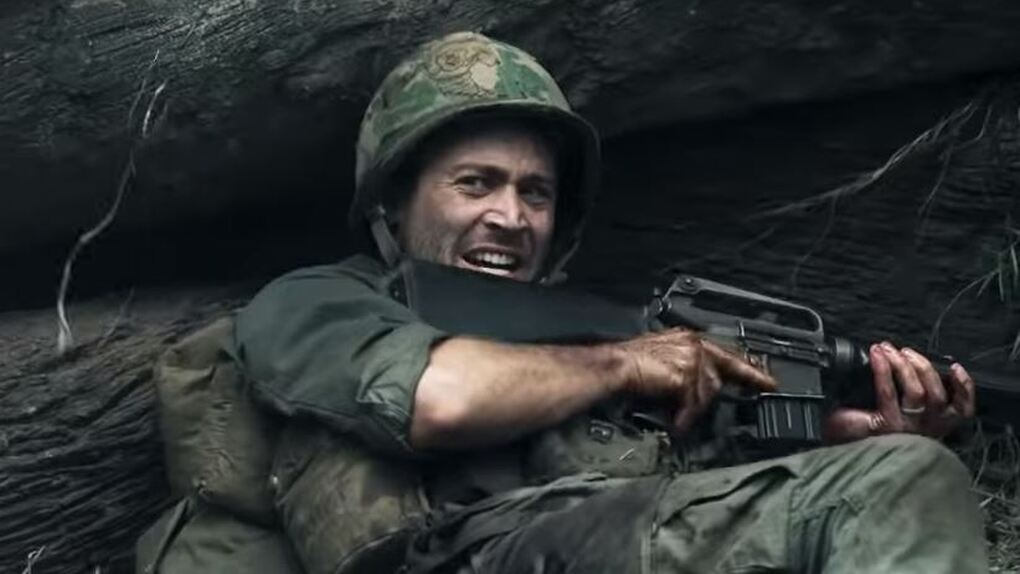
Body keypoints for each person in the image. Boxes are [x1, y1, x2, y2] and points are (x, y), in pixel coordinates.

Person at [142, 31, 987, 573]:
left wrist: (848, 443)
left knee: (891, 473)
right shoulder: (316, 301)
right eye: (476, 183)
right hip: (461, 554)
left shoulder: (574, 344)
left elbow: (696, 503)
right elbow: (437, 398)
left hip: (580, 539)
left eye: (535, 193)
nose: (510, 217)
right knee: (899, 484)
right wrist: (630, 362)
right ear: (390, 206)